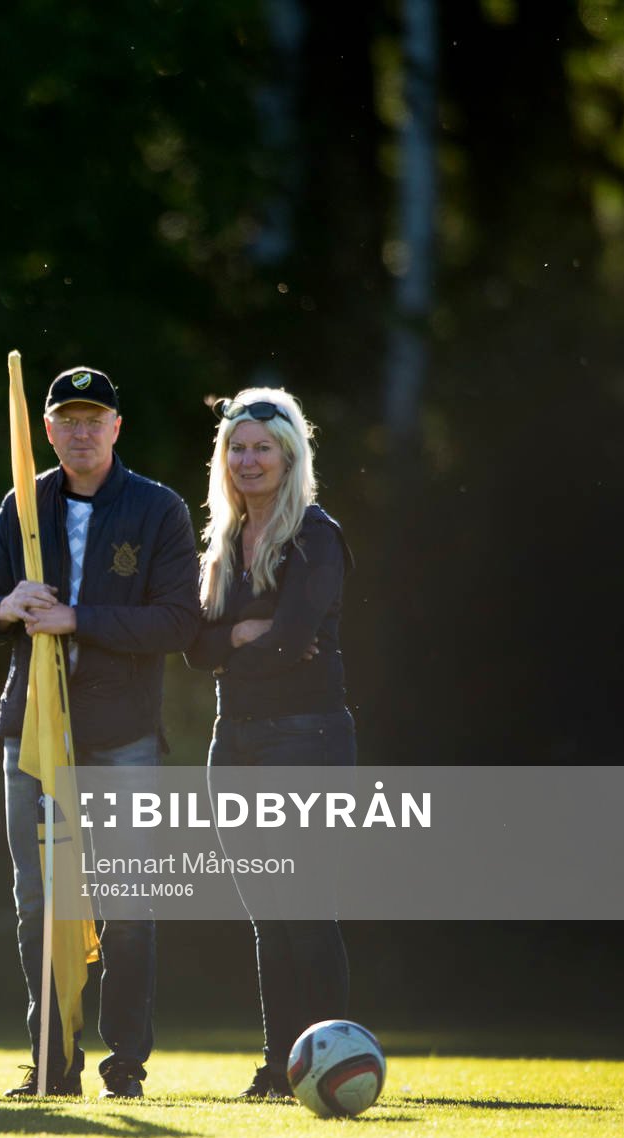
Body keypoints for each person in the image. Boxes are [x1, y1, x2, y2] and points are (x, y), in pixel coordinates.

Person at [0, 367, 203, 1100]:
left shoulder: (157, 508)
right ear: (47, 429)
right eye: (67, 418)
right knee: (40, 902)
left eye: (94, 418)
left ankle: (124, 1062)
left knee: (128, 905)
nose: (80, 430)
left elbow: (179, 623)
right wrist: (9, 606)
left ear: (116, 428)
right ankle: (51, 1063)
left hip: (122, 734)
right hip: (31, 734)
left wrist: (80, 619)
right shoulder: (22, 502)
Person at [185, 388, 354, 1100]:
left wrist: (239, 643)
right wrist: (241, 639)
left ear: (289, 456)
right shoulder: (223, 542)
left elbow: (292, 641)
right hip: (237, 738)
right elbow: (192, 649)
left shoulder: (315, 535)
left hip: (305, 735)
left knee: (304, 904)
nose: (248, 459)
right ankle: (280, 1063)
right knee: (266, 910)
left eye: (262, 447)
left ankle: (335, 1054)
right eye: (237, 447)